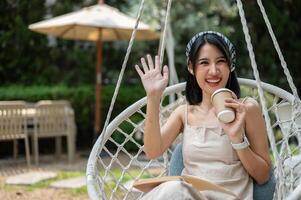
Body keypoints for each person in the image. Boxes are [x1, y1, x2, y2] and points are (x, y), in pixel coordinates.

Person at [135, 31, 272, 200]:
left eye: (221, 61)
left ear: (231, 65)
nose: (213, 71)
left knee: (174, 189)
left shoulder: (247, 108)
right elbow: (152, 151)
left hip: (228, 197)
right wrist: (153, 97)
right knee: (174, 189)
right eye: (204, 63)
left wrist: (237, 139)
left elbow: (263, 176)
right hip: (188, 196)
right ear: (192, 68)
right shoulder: (183, 114)